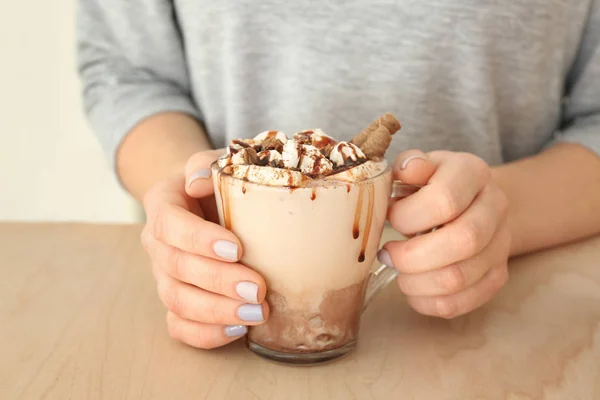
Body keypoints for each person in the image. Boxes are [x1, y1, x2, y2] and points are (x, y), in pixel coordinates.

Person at [77, 1, 600, 349]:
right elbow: (128, 70)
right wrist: (188, 203)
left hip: (511, 320)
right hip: (215, 337)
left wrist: (499, 213)